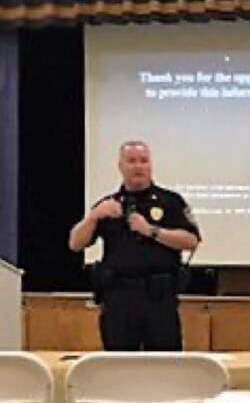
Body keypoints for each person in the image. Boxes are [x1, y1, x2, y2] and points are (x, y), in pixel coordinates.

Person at [68, 141, 200, 350]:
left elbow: (191, 241)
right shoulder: (108, 204)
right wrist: (93, 217)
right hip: (119, 296)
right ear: (120, 166)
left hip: (159, 297)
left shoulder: (170, 201)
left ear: (151, 165)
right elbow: (75, 243)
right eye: (131, 161)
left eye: (143, 161)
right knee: (118, 365)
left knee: (164, 366)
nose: (138, 166)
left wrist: (152, 231)